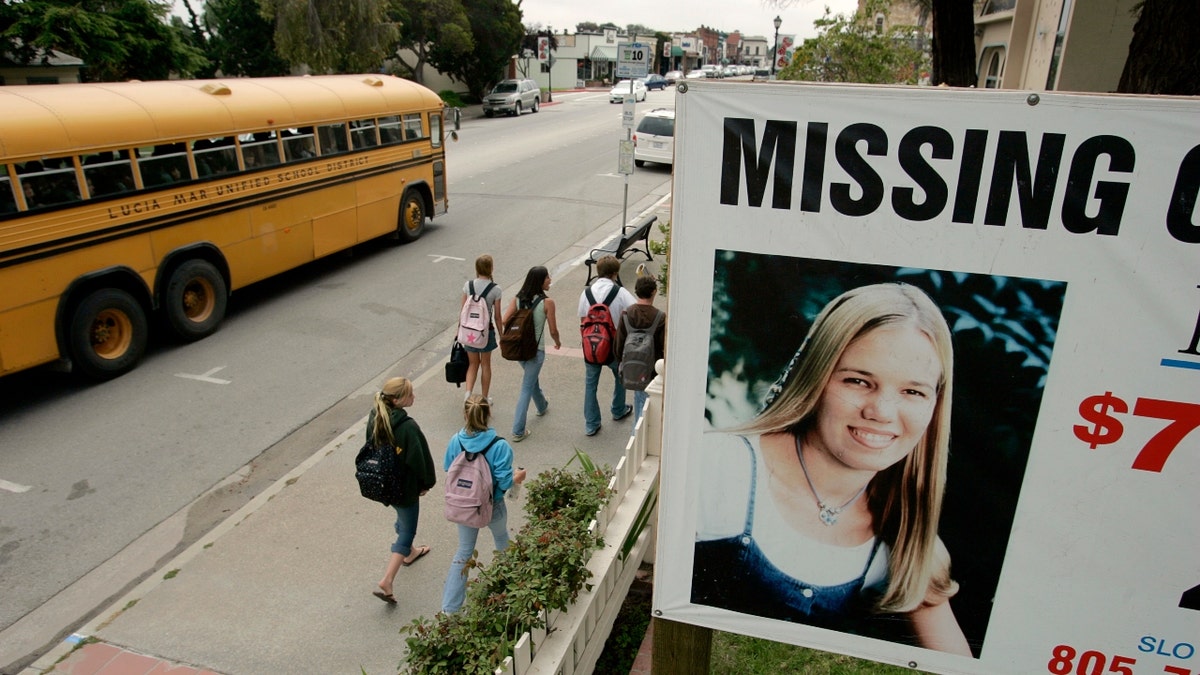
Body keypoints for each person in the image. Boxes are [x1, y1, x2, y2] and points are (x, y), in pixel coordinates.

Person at [691, 283, 972, 656]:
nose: (882, 411)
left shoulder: (907, 538)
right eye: (858, 381)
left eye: (913, 392)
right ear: (816, 377)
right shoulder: (718, 468)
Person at [441, 396, 527, 613]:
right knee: (501, 538)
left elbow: (448, 469)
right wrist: (517, 477)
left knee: (464, 552)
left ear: (465, 415)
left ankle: (449, 609)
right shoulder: (499, 445)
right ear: (488, 414)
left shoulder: (455, 441)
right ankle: (513, 589)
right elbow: (505, 481)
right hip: (493, 504)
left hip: (465, 506)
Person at [366, 377, 436, 605]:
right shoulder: (407, 427)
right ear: (397, 400)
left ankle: (411, 552)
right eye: (409, 395)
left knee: (401, 517)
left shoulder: (375, 416)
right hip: (405, 487)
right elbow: (419, 459)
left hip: (383, 483)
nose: (414, 397)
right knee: (407, 530)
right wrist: (426, 484)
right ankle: (387, 579)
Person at [577, 255, 637, 436]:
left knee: (590, 384)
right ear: (615, 273)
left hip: (591, 344)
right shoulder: (619, 292)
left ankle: (591, 424)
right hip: (614, 345)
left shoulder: (586, 293)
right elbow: (634, 310)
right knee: (620, 378)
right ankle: (618, 409)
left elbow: (582, 319)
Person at [501, 266, 562, 442]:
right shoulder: (547, 303)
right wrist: (558, 343)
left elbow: (505, 320)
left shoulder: (518, 299)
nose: (550, 279)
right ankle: (518, 430)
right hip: (536, 351)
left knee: (531, 380)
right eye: (547, 277)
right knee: (526, 387)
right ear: (540, 281)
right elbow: (553, 330)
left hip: (519, 350)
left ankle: (542, 406)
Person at [614, 275, 666, 431]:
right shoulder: (660, 317)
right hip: (654, 370)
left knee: (639, 404)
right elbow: (664, 346)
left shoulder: (626, 314)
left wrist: (623, 362)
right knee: (652, 407)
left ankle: (637, 436)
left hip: (634, 369)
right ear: (654, 292)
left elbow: (618, 345)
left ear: (636, 291)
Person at [461, 255, 503, 402]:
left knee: (472, 364)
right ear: (491, 268)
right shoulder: (495, 289)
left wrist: (458, 332)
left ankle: (468, 395)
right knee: (485, 364)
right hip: (486, 331)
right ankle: (484, 398)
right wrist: (501, 335)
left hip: (469, 331)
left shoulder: (468, 285)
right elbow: (497, 316)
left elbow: (462, 311)